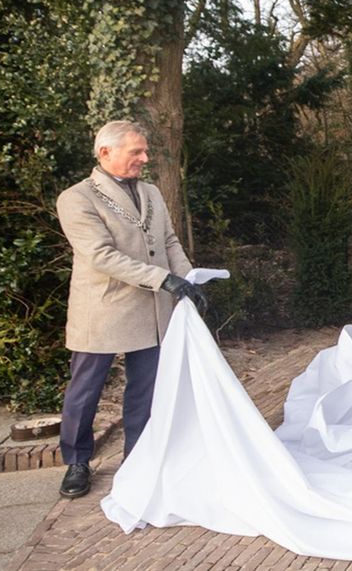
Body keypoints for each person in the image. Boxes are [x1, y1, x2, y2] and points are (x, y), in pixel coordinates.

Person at [55, 120, 207, 498]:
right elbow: (101, 255)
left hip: (153, 310)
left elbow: (169, 241)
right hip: (103, 310)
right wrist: (164, 279)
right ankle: (77, 461)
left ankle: (138, 456)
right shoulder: (76, 198)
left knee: (147, 389)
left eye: (145, 150)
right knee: (84, 391)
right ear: (105, 152)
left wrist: (189, 280)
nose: (145, 158)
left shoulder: (151, 192)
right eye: (136, 151)